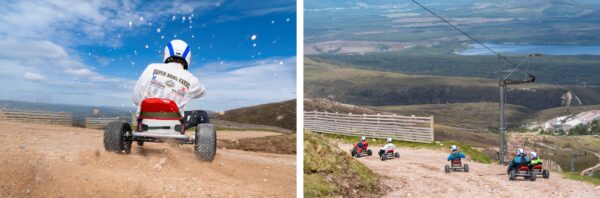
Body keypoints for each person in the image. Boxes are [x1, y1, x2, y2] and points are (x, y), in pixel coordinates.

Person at [132, 39, 208, 130]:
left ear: (166, 54)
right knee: (202, 115)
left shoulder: (151, 68)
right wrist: (185, 92)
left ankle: (142, 133)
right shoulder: (191, 79)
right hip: (174, 127)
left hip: (145, 123)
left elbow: (135, 99)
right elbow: (202, 92)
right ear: (188, 57)